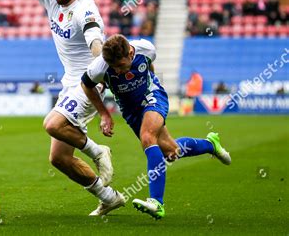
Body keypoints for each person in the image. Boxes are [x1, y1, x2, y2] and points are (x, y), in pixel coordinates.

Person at [0, 0, 124, 216]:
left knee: (51, 124)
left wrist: (103, 68)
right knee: (59, 158)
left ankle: (99, 152)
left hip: (90, 82)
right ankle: (108, 197)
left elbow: (96, 43)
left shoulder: (85, 9)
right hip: (69, 82)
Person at [81, 34, 231, 219]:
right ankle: (210, 144)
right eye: (114, 68)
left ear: (130, 53)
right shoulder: (99, 67)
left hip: (153, 96)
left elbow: (149, 67)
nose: (117, 71)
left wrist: (149, 82)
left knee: (147, 137)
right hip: (130, 109)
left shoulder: (146, 49)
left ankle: (156, 203)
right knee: (171, 151)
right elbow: (85, 85)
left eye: (120, 66)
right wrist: (104, 113)